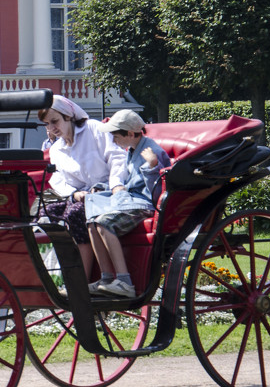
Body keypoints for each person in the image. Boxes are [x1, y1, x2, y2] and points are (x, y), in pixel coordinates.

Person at [84, 109, 171, 298]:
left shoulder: (152, 151)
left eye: (115, 136)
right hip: (132, 200)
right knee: (91, 223)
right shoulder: (133, 149)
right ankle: (107, 278)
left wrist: (152, 166)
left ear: (130, 134)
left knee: (103, 223)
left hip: (144, 204)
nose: (113, 140)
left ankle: (125, 282)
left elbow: (157, 192)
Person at [39, 95, 126, 276]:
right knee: (46, 213)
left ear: (69, 116)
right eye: (46, 124)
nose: (51, 128)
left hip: (106, 192)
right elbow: (57, 179)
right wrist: (74, 194)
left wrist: (116, 184)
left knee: (75, 213)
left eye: (54, 121)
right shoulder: (56, 149)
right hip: (80, 196)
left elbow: (117, 157)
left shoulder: (94, 129)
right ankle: (56, 273)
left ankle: (82, 279)